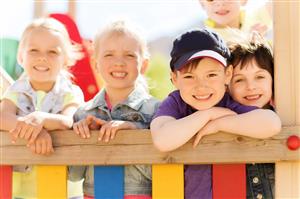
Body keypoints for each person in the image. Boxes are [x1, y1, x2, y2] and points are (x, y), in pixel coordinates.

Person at [150, 29, 281, 199]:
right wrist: (209, 114)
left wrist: (219, 123)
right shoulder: (176, 103)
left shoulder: (229, 103)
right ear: (175, 79)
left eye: (211, 74)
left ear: (227, 75)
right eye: (190, 77)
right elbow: (162, 140)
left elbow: (272, 123)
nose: (201, 86)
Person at [68, 20, 160, 199]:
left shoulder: (157, 110)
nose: (119, 62)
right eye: (109, 55)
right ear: (95, 64)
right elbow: (74, 175)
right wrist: (83, 140)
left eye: (129, 55)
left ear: (144, 65)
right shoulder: (83, 114)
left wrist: (134, 132)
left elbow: (165, 165)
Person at [0, 18, 84, 199]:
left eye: (52, 52)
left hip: (64, 188)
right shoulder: (16, 91)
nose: (42, 57)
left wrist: (41, 119)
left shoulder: (70, 92)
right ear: (21, 57)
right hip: (22, 190)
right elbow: (3, 117)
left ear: (66, 60)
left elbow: (68, 120)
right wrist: (34, 130)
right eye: (34, 50)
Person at [228, 32, 275, 199]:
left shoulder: (287, 117)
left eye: (259, 77)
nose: (251, 87)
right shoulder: (225, 119)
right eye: (239, 80)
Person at [199, 0, 273, 41]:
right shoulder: (204, 39)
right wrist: (250, 43)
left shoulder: (256, 16)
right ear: (202, 3)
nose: (220, 3)